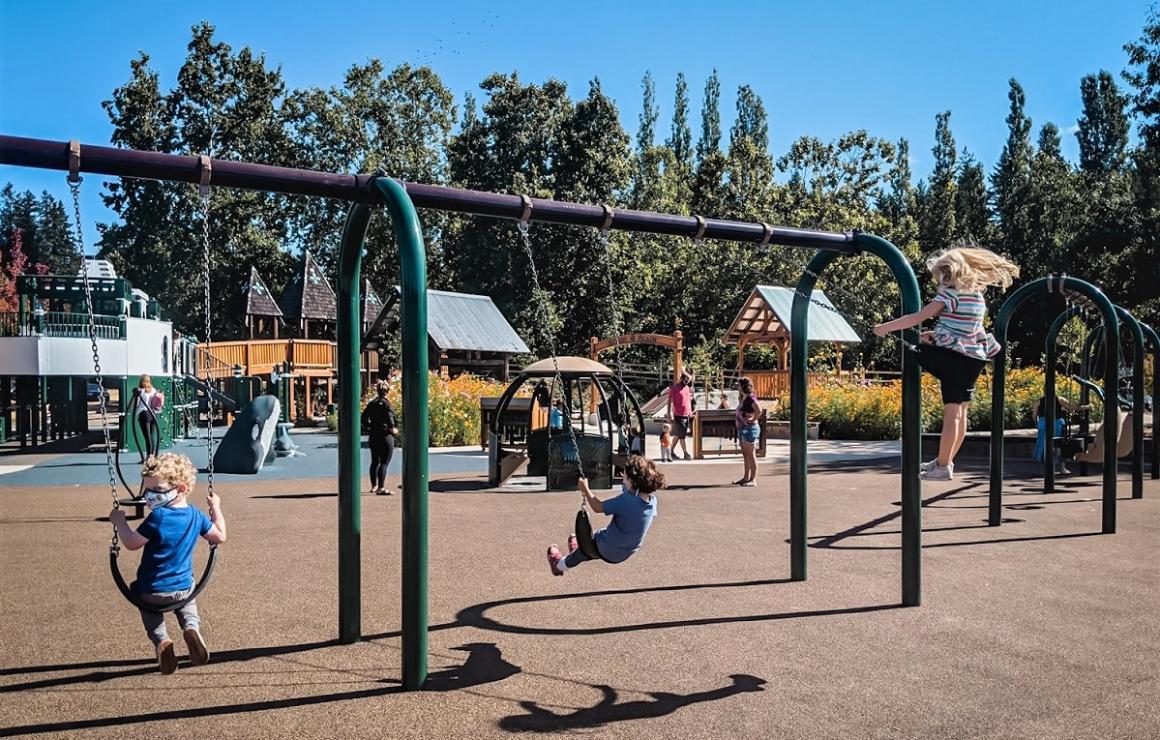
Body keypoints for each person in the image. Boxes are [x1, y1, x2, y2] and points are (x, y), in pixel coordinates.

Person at [873, 247, 1020, 481]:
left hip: (955, 360)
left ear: (948, 274)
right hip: (974, 359)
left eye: (938, 278)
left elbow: (917, 317)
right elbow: (964, 327)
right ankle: (946, 460)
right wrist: (936, 334)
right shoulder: (976, 296)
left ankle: (942, 467)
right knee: (961, 411)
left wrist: (885, 328)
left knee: (951, 410)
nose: (937, 284)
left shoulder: (949, 294)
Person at [109, 453, 226, 674]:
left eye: (157, 490)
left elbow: (132, 543)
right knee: (188, 601)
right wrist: (216, 506)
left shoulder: (158, 517)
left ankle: (162, 640)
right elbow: (220, 536)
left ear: (181, 489)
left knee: (148, 609)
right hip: (183, 589)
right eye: (147, 490)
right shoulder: (196, 516)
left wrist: (120, 522)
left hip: (150, 591)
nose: (150, 496)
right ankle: (191, 628)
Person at [546, 455, 666, 575]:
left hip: (606, 548)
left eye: (624, 477)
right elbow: (635, 509)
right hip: (625, 553)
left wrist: (585, 489)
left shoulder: (626, 501)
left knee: (586, 549)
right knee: (595, 545)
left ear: (631, 482)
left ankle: (559, 565)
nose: (622, 479)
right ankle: (578, 549)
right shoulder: (652, 502)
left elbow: (597, 507)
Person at [362, 381, 399, 495]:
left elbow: (363, 418)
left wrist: (370, 427)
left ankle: (374, 485)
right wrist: (393, 428)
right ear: (387, 391)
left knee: (374, 461)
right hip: (385, 435)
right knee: (384, 462)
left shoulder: (372, 403)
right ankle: (381, 488)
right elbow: (390, 417)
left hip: (374, 435)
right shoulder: (387, 403)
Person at [1034, 395, 1075, 475]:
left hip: (1043, 423)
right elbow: (1070, 408)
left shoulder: (1039, 400)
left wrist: (1037, 424)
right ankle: (1062, 468)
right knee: (1059, 444)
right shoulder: (1059, 399)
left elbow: (1034, 414)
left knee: (1043, 445)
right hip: (1056, 423)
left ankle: (1046, 468)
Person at [734, 377, 762, 486]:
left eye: (739, 385)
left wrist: (753, 418)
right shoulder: (743, 398)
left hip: (750, 429)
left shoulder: (750, 398)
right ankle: (745, 478)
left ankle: (753, 479)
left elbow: (759, 409)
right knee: (746, 454)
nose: (738, 387)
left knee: (751, 454)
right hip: (742, 428)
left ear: (744, 386)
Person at [667, 370, 696, 460]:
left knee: (678, 434)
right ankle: (686, 453)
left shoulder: (687, 388)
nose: (687, 382)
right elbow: (669, 401)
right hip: (678, 415)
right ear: (681, 379)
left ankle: (670, 451)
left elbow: (688, 401)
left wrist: (690, 412)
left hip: (686, 415)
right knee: (682, 436)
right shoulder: (675, 388)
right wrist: (669, 413)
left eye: (688, 381)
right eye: (686, 380)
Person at [135, 374, 164, 458]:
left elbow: (137, 403)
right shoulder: (154, 390)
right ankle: (153, 455)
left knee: (147, 436)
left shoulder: (140, 391)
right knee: (152, 436)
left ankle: (148, 456)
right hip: (153, 414)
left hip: (144, 413)